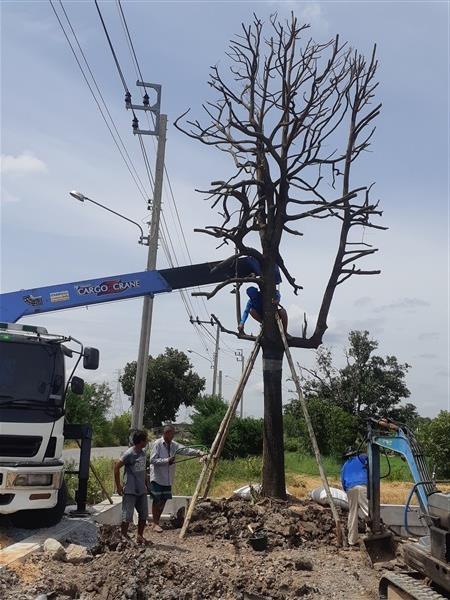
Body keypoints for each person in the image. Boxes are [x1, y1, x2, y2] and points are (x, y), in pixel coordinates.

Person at [149, 424, 207, 532]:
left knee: (163, 500)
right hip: (158, 477)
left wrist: (198, 452)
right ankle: (155, 523)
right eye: (172, 434)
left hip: (168, 478)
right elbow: (152, 460)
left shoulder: (174, 445)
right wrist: (167, 460)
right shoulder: (157, 444)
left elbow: (185, 450)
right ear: (166, 433)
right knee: (157, 500)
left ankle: (156, 522)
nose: (173, 436)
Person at [114, 430, 149, 545]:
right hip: (130, 489)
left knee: (144, 514)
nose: (147, 442)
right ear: (141, 441)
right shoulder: (129, 454)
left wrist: (146, 484)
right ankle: (123, 536)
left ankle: (140, 536)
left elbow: (143, 471)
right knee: (127, 515)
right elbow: (116, 467)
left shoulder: (143, 453)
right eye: (146, 439)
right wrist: (119, 486)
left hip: (141, 489)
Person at [340, 447, 369, 546]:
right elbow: (371, 461)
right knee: (368, 511)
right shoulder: (361, 457)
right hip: (362, 486)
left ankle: (352, 540)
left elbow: (343, 483)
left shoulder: (344, 466)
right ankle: (372, 535)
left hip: (350, 489)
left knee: (352, 514)